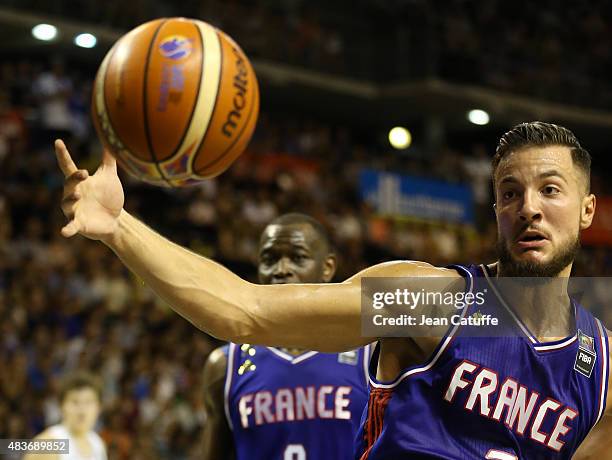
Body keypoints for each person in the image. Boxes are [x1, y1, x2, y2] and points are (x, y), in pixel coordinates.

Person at [55, 121, 611, 458]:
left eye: (550, 190)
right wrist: (119, 228)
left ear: (588, 210)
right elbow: (246, 311)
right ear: (494, 210)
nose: (528, 208)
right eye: (509, 193)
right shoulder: (434, 302)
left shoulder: (605, 368)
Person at [202, 213, 370, 459]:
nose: (282, 270)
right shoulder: (225, 366)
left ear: (328, 268)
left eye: (297, 258)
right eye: (269, 259)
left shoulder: (368, 355)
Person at [25, 372, 107, 460]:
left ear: (98, 407)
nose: (82, 410)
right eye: (75, 402)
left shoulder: (98, 443)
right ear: (61, 406)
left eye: (88, 402)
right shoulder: (48, 443)